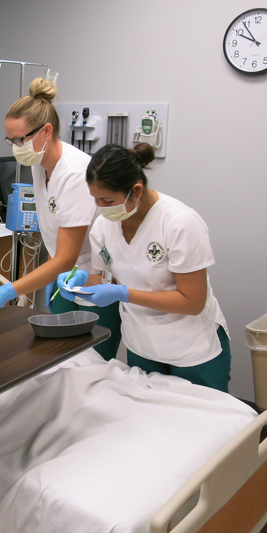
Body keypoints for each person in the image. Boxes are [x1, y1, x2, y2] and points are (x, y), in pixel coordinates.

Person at [0, 78, 120, 360]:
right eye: (10, 140)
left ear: (46, 131)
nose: (15, 147)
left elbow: (67, 258)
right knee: (61, 364)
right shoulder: (39, 165)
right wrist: (51, 268)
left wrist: (7, 290)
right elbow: (56, 235)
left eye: (20, 139)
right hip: (66, 279)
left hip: (93, 282)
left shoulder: (75, 174)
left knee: (90, 368)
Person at [58, 143, 231, 392]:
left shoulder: (179, 223)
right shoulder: (104, 226)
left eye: (107, 200)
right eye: (95, 199)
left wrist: (124, 294)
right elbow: (108, 281)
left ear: (136, 191)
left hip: (191, 351)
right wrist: (80, 281)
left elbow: (192, 302)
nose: (101, 207)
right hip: (141, 348)